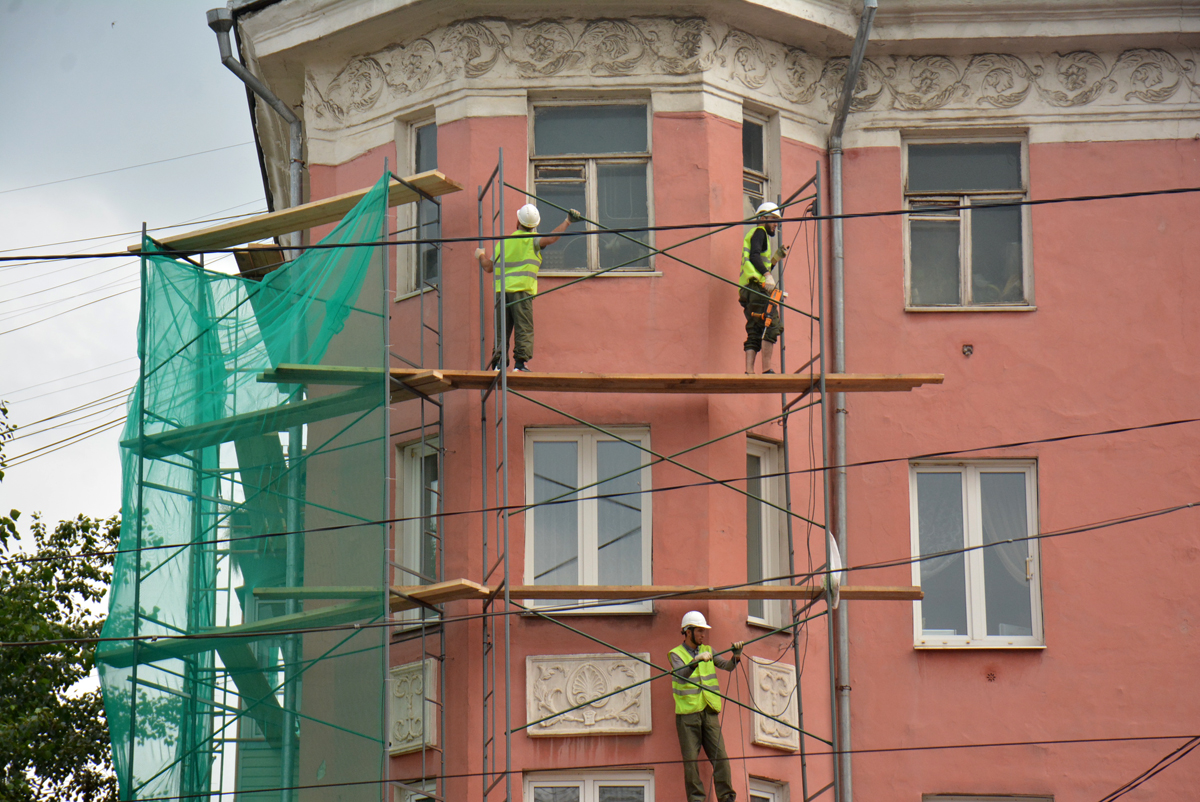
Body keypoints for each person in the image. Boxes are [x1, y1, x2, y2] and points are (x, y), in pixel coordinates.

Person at [475, 203, 578, 372]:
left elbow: (488, 267)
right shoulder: (533, 240)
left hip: (501, 293)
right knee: (524, 327)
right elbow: (551, 238)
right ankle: (520, 365)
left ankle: (499, 364)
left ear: (518, 221)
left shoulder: (504, 243)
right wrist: (567, 221)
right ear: (535, 225)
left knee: (502, 328)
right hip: (521, 292)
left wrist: (480, 255)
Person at [669, 610, 744, 802]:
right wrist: (695, 661)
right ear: (688, 631)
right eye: (700, 631)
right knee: (691, 763)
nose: (703, 635)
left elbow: (726, 666)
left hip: (708, 712)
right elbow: (681, 675)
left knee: (721, 758)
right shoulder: (675, 654)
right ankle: (696, 800)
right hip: (687, 716)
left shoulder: (709, 650)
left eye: (704, 631)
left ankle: (727, 798)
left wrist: (736, 656)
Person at [739, 201, 788, 374]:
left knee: (755, 327)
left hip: (748, 291)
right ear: (762, 218)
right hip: (757, 289)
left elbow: (758, 264)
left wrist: (775, 259)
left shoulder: (754, 235)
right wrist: (767, 276)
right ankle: (766, 369)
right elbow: (754, 257)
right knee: (772, 324)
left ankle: (749, 371)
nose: (776, 223)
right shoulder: (760, 232)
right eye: (773, 219)